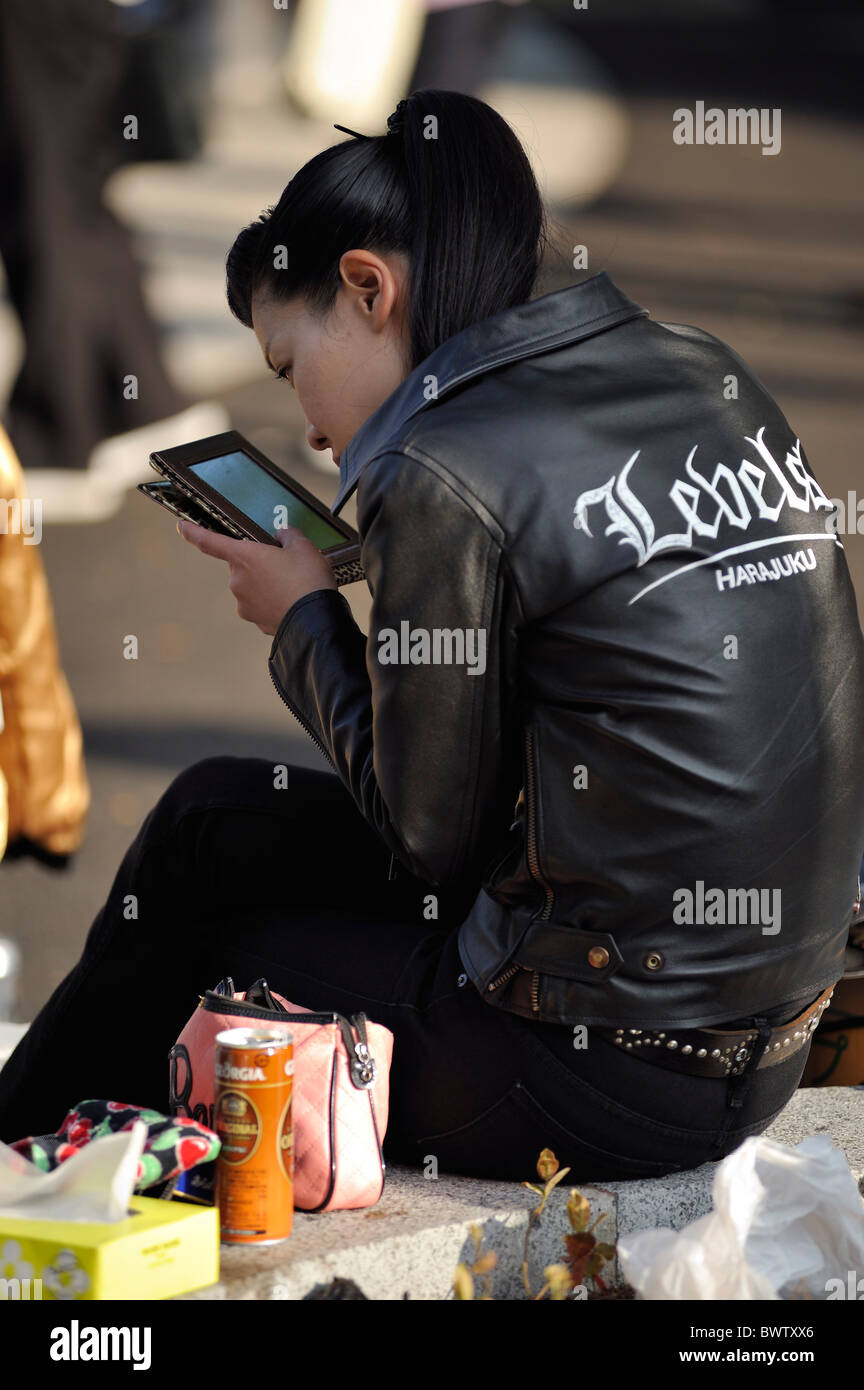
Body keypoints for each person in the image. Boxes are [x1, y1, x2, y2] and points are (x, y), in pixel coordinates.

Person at [2, 90, 863, 1184]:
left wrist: (304, 613)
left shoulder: (441, 464)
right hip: (768, 1040)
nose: (309, 429)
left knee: (201, 966)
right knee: (212, 814)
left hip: (590, 1073)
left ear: (369, 288)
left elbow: (431, 843)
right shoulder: (699, 366)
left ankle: (20, 1179)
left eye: (287, 363)